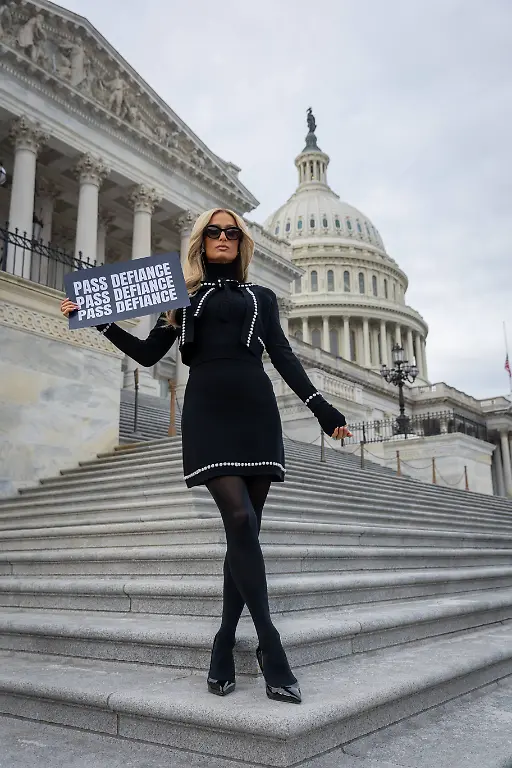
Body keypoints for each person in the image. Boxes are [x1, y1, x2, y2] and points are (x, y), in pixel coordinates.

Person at [60, 208, 352, 705]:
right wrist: (101, 322)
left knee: (245, 532)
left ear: (242, 244)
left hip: (256, 411)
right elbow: (151, 354)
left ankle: (222, 641)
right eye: (214, 231)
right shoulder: (181, 298)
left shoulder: (262, 298)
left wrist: (322, 409)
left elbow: (282, 355)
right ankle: (270, 644)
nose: (222, 237)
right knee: (238, 517)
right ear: (202, 240)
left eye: (231, 232)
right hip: (207, 413)